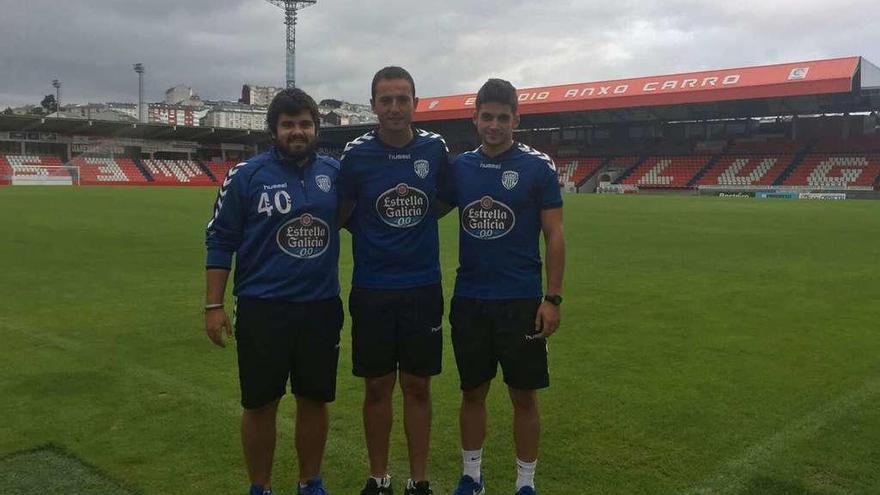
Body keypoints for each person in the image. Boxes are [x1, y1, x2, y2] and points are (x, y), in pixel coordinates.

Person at [204, 88, 342, 495]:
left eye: (304, 124)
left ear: (316, 128)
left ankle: (309, 482)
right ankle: (259, 486)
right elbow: (219, 239)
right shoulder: (246, 176)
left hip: (320, 307)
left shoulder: (335, 173)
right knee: (260, 403)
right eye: (288, 125)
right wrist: (213, 305)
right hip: (263, 308)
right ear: (273, 130)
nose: (297, 132)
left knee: (314, 399)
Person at [439, 79, 565, 495]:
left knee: (523, 396)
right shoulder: (459, 168)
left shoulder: (537, 166)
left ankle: (525, 483)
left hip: (521, 302)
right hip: (471, 299)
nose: (494, 125)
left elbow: (554, 234)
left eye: (503, 117)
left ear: (516, 119)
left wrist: (552, 298)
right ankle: (471, 476)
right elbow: (426, 212)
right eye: (487, 117)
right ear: (475, 118)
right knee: (472, 391)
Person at [337, 66, 449, 495]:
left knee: (418, 386)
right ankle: (379, 478)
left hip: (422, 287)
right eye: (386, 100)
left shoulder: (435, 149)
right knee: (378, 386)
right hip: (373, 288)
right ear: (373, 106)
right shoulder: (356, 154)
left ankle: (418, 481)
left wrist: (414, 223)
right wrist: (376, 230)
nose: (395, 107)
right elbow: (344, 211)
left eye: (403, 99)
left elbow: (445, 198)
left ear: (415, 104)